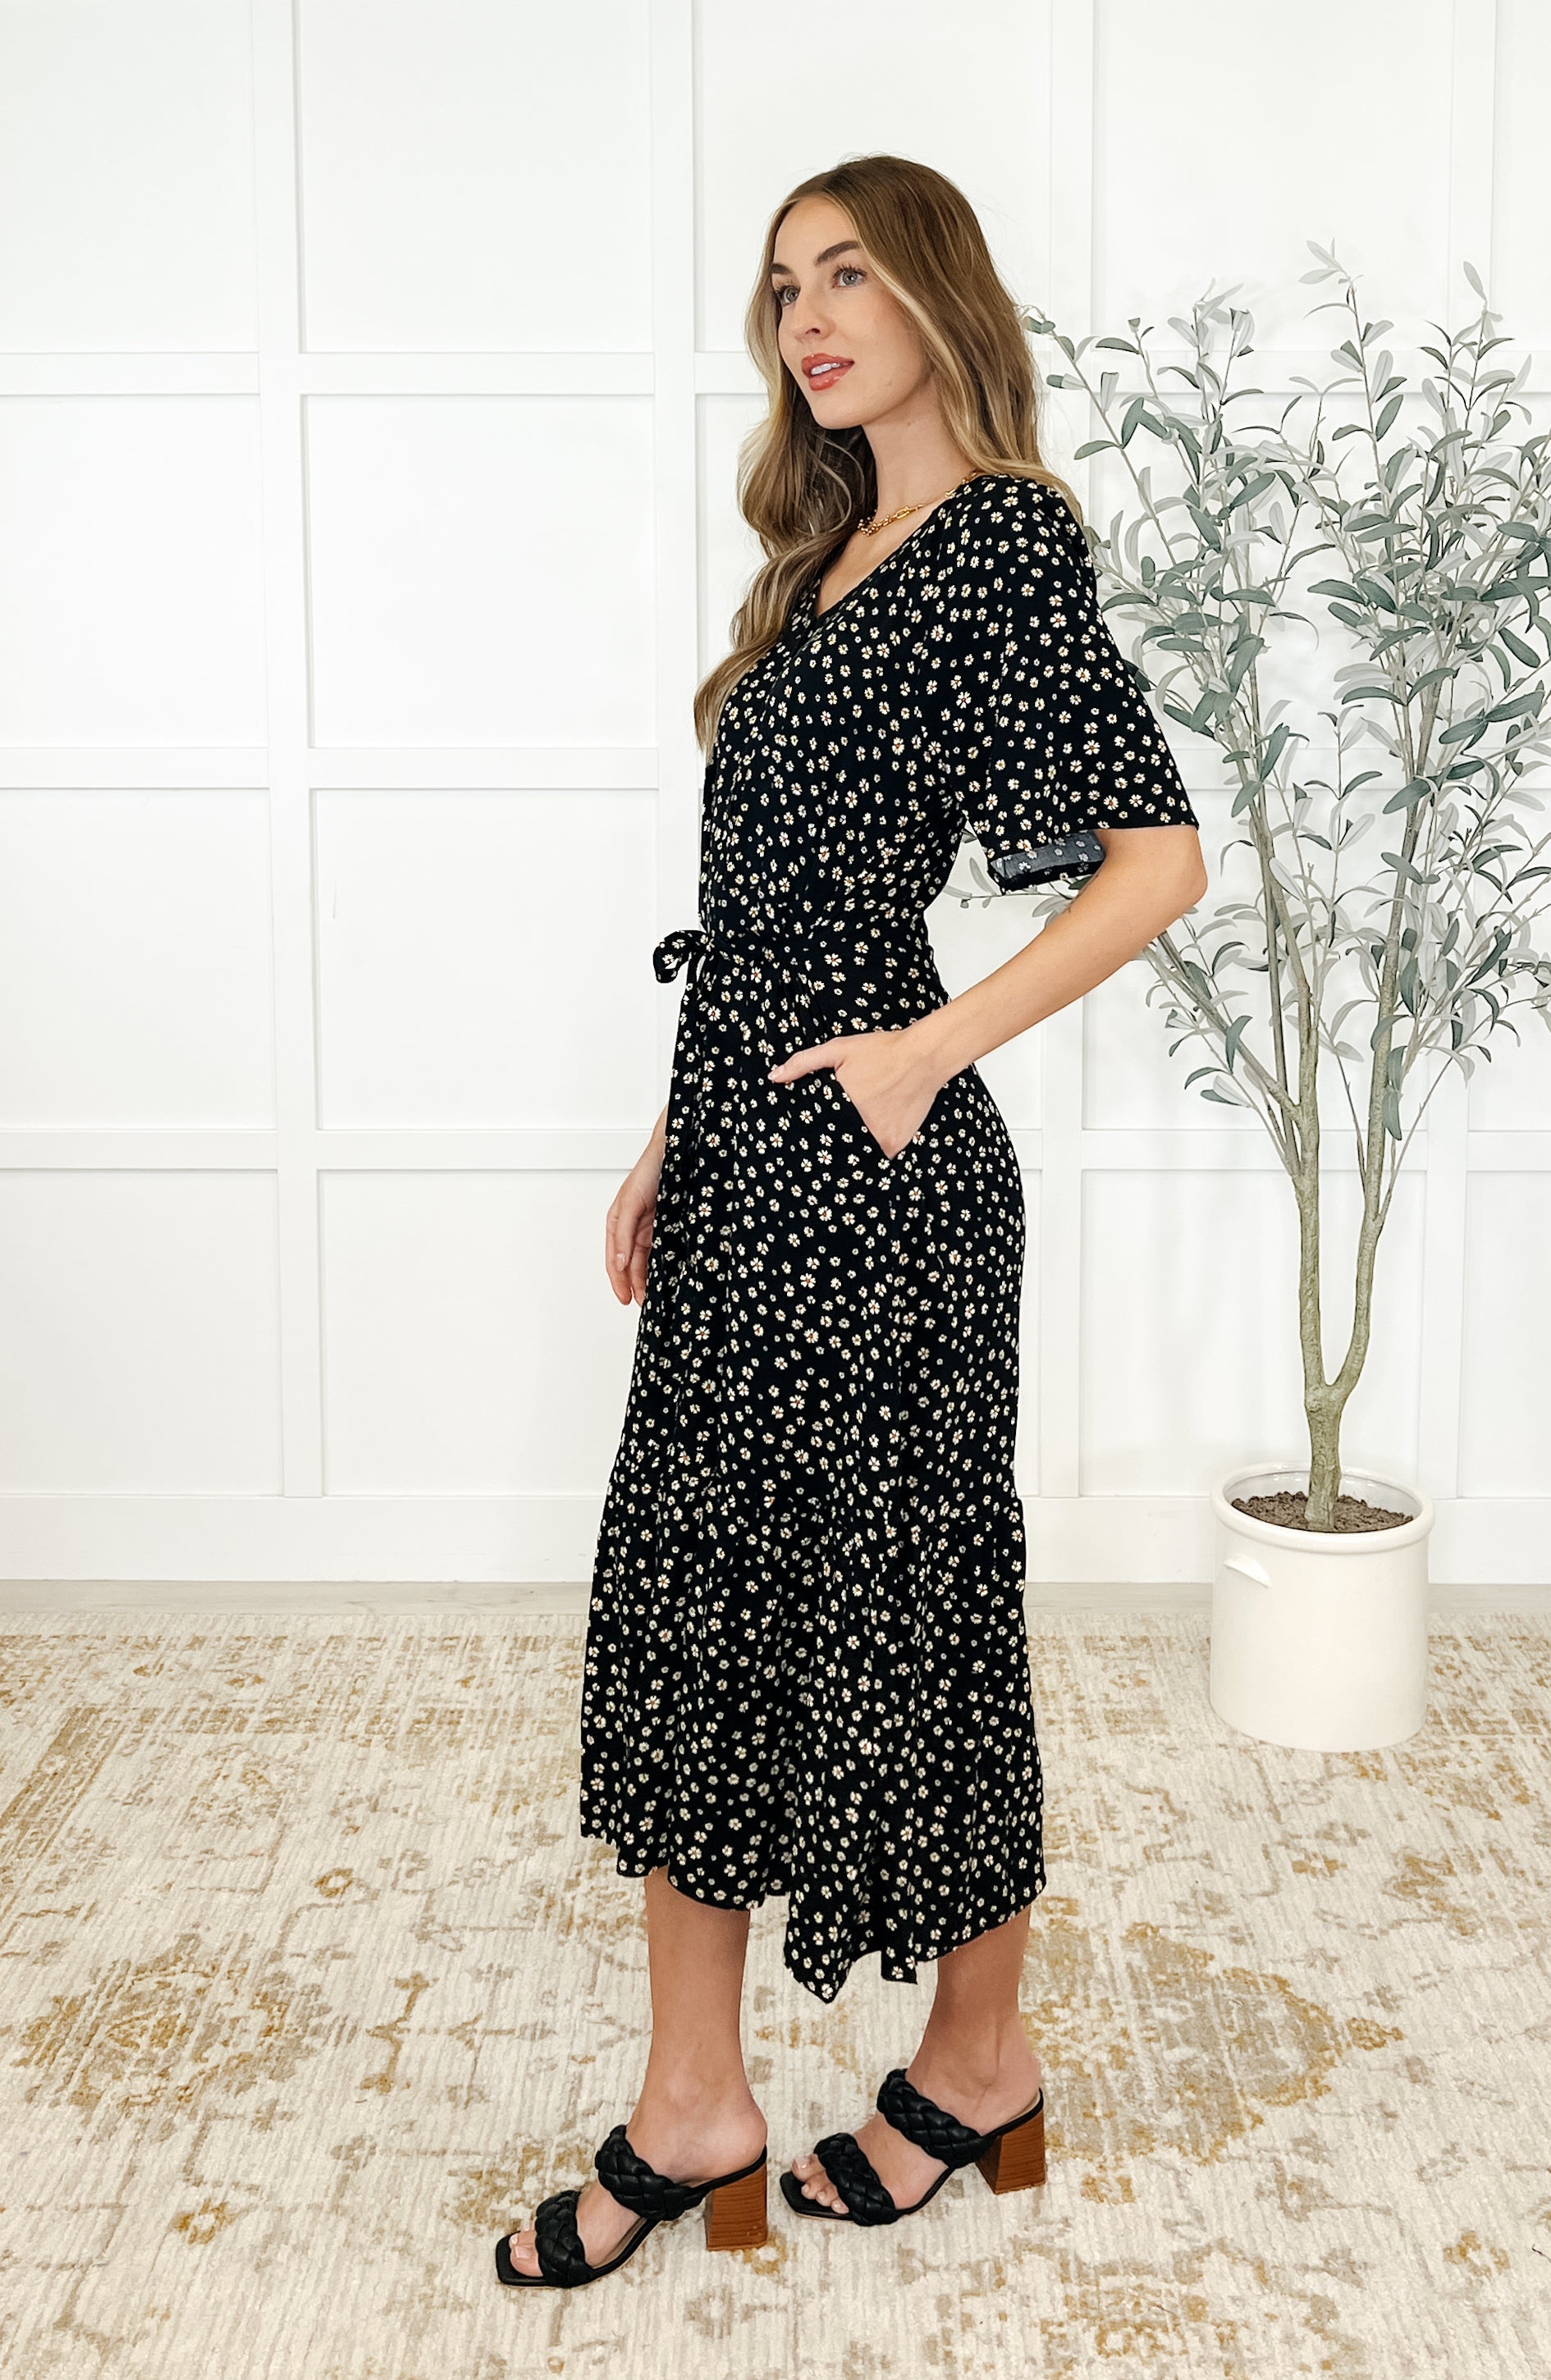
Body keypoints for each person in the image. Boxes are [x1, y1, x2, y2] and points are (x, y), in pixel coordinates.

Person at [496, 153, 1206, 2291]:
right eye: (784, 284)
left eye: (851, 274)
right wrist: (671, 1131)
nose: (808, 317)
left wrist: (927, 1052)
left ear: (937, 297)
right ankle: (696, 2102)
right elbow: (766, 915)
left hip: (881, 1192)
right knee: (698, 1615)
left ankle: (976, 2063)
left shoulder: (998, 546)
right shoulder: (822, 564)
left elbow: (1157, 863)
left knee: (907, 1621)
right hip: (746, 1156)